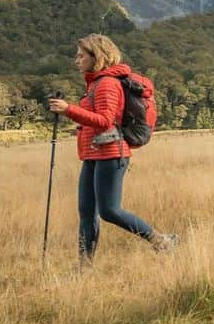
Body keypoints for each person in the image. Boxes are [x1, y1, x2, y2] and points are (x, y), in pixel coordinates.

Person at [48, 34, 177, 266]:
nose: (76, 61)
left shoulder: (107, 83)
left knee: (109, 211)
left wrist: (69, 110)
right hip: (92, 155)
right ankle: (84, 268)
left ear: (96, 56)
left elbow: (105, 120)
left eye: (80, 56)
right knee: (87, 213)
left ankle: (162, 241)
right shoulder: (94, 83)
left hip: (111, 154)